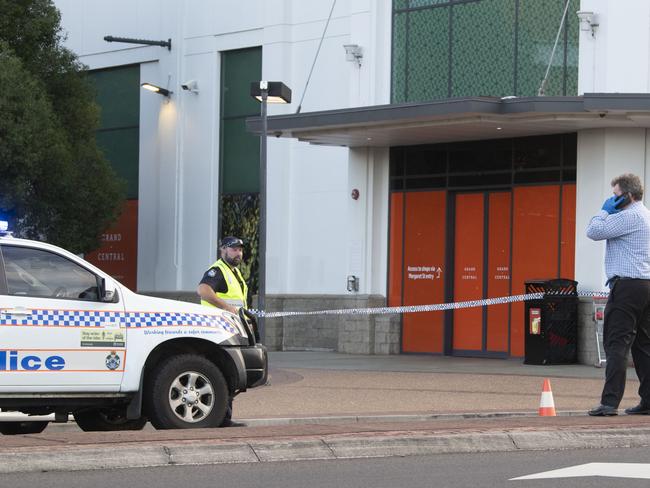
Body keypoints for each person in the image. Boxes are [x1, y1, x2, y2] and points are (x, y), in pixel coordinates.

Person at [586, 173, 650, 416]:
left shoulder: (629, 216)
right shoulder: (646, 215)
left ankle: (609, 402)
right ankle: (648, 401)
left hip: (626, 287)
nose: (612, 199)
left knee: (616, 344)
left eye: (615, 196)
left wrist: (604, 211)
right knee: (644, 347)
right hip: (645, 285)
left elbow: (593, 231)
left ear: (628, 196)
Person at [197, 235, 249, 427]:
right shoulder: (217, 271)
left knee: (227, 374)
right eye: (234, 249)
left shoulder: (233, 272)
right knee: (222, 373)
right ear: (223, 250)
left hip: (230, 329)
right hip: (216, 330)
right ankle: (222, 418)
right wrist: (228, 308)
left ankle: (223, 417)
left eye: (240, 250)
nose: (238, 253)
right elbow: (203, 290)